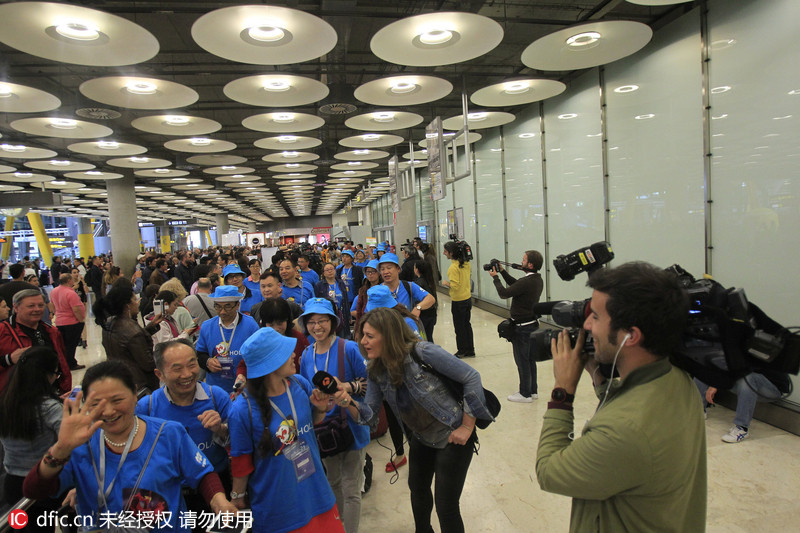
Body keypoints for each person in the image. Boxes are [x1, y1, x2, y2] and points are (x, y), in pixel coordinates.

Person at [536, 261, 706, 532]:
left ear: (631, 336)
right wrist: (599, 379)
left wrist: (562, 392)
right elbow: (634, 406)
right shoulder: (678, 380)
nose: (587, 325)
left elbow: (549, 472)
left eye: (596, 317)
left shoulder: (624, 432)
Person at [22, 360, 238, 532]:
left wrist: (218, 501)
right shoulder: (81, 446)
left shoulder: (169, 433)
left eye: (117, 400)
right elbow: (34, 490)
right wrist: (60, 448)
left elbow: (201, 473)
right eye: (96, 404)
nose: (108, 411)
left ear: (135, 395)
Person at [339, 307, 493, 533]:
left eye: (370, 336)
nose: (363, 341)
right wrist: (346, 401)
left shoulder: (422, 352)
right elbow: (369, 417)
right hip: (421, 437)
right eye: (363, 335)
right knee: (418, 491)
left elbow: (471, 376)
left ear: (389, 335)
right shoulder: (376, 371)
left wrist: (467, 426)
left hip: (451, 434)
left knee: (446, 506)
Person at [229, 327, 344, 533]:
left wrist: (320, 409)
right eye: (285, 352)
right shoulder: (242, 409)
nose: (294, 354)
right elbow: (241, 460)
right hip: (279, 510)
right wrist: (237, 498)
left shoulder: (299, 384)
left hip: (318, 495)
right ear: (269, 363)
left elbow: (311, 426)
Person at [137, 340, 233, 525]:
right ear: (160, 374)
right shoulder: (147, 408)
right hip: (168, 494)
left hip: (217, 487)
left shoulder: (216, 397)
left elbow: (238, 443)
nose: (187, 374)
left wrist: (220, 429)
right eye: (177, 368)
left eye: (192, 364)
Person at [297, 298, 369, 533]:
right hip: (324, 429)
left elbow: (369, 384)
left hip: (351, 425)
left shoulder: (347, 348)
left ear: (333, 322)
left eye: (323, 321)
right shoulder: (307, 354)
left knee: (351, 488)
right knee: (332, 483)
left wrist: (346, 388)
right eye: (312, 322)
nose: (317, 327)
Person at [0, 347, 63, 533]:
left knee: (20, 527)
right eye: (56, 374)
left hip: (12, 484)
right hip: (41, 484)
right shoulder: (50, 408)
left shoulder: (6, 402)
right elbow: (70, 444)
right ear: (47, 375)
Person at [489, 250, 544, 403]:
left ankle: (524, 394)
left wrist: (495, 278)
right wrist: (503, 271)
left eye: (524, 260)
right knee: (530, 359)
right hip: (531, 324)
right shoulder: (536, 279)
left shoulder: (528, 281)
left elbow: (504, 293)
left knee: (522, 360)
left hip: (522, 328)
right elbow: (516, 285)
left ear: (530, 264)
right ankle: (532, 391)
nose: (522, 262)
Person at [0, 289, 72, 395]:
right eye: (31, 306)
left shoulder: (52, 331)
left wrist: (65, 389)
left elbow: (62, 362)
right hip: (15, 399)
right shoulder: (3, 331)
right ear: (16, 308)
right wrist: (8, 359)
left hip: (51, 394)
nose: (37, 309)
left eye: (40, 305)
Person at [94, 285, 161, 392]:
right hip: (139, 384)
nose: (137, 302)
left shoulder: (109, 322)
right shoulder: (132, 330)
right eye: (134, 300)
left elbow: (126, 343)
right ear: (127, 306)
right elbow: (148, 363)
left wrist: (151, 326)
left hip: (118, 377)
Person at [695, 368, 790, 443]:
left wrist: (716, 384)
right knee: (705, 369)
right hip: (742, 380)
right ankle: (697, 411)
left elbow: (745, 368)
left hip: (771, 388)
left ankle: (742, 427)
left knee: (749, 378)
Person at [195, 285, 259, 394]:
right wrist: (207, 362)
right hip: (215, 389)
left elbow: (258, 355)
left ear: (237, 305)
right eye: (218, 307)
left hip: (244, 389)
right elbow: (200, 354)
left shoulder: (250, 325)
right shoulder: (207, 326)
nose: (222, 312)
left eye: (227, 306)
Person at [377, 253, 435, 318]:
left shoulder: (409, 286)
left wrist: (418, 307)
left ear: (398, 269)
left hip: (406, 327)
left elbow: (430, 299)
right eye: (382, 269)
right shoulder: (377, 291)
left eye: (389, 268)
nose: (386, 272)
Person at [442, 242, 474, 358]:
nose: (444, 253)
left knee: (459, 327)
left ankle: (461, 350)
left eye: (445, 251)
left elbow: (454, 285)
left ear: (451, 253)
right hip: (467, 298)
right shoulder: (466, 264)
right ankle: (470, 349)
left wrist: (446, 283)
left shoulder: (453, 268)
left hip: (458, 300)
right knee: (467, 325)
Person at [50, 273, 86, 370]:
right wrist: (81, 320)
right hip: (71, 322)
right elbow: (76, 309)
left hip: (60, 321)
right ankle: (71, 363)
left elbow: (52, 305)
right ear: (69, 280)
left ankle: (65, 362)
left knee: (64, 344)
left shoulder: (54, 291)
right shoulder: (70, 293)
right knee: (71, 344)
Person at [350, 260, 381, 332]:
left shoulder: (384, 288)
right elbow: (358, 310)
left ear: (379, 273)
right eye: (368, 272)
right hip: (365, 324)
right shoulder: (363, 290)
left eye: (373, 271)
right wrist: (357, 329)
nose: (370, 274)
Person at [413, 260, 438, 344]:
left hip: (423, 314)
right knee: (429, 336)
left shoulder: (418, 284)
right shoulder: (430, 281)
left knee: (423, 338)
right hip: (432, 313)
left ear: (417, 269)